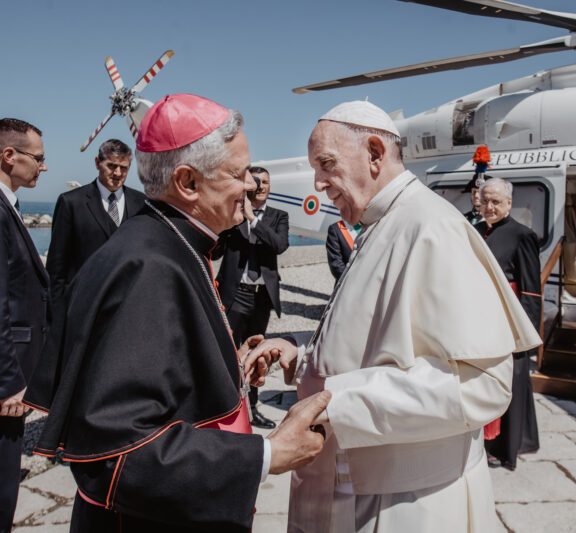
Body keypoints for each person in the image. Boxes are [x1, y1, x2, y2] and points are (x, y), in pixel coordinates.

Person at [23, 94, 329, 532]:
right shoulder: (149, 268)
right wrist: (269, 454)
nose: (250, 186)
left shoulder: (169, 242)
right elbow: (121, 451)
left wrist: (224, 367)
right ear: (188, 183)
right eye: (239, 173)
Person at [259, 100, 541, 533]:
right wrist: (300, 354)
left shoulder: (431, 226)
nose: (317, 183)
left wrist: (337, 403)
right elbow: (370, 340)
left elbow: (482, 384)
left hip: (407, 504)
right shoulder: (383, 221)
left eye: (327, 164)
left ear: (374, 153)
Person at [0, 118, 48, 533]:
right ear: (8, 155)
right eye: (38, 158)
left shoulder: (9, 207)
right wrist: (9, 381)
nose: (43, 168)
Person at [214, 163, 289, 428]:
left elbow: (279, 245)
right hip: (235, 294)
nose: (260, 187)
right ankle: (222, 407)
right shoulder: (234, 216)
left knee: (255, 354)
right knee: (227, 352)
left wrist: (253, 219)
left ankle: (252, 408)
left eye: (265, 183)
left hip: (261, 297)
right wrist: (228, 216)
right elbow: (214, 252)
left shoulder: (278, 216)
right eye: (255, 182)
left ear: (270, 188)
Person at [474, 177, 540, 470]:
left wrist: (525, 334)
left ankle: (502, 448)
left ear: (509, 203)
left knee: (509, 383)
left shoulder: (522, 235)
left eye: (496, 201)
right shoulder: (475, 231)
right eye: (485, 200)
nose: (489, 206)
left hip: (508, 324)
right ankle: (481, 442)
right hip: (477, 320)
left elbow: (530, 290)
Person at [46, 139, 146, 304]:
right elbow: (57, 268)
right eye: (112, 166)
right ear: (97, 162)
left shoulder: (141, 203)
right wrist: (56, 318)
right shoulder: (71, 202)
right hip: (82, 304)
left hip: (128, 306)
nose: (118, 174)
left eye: (123, 168)